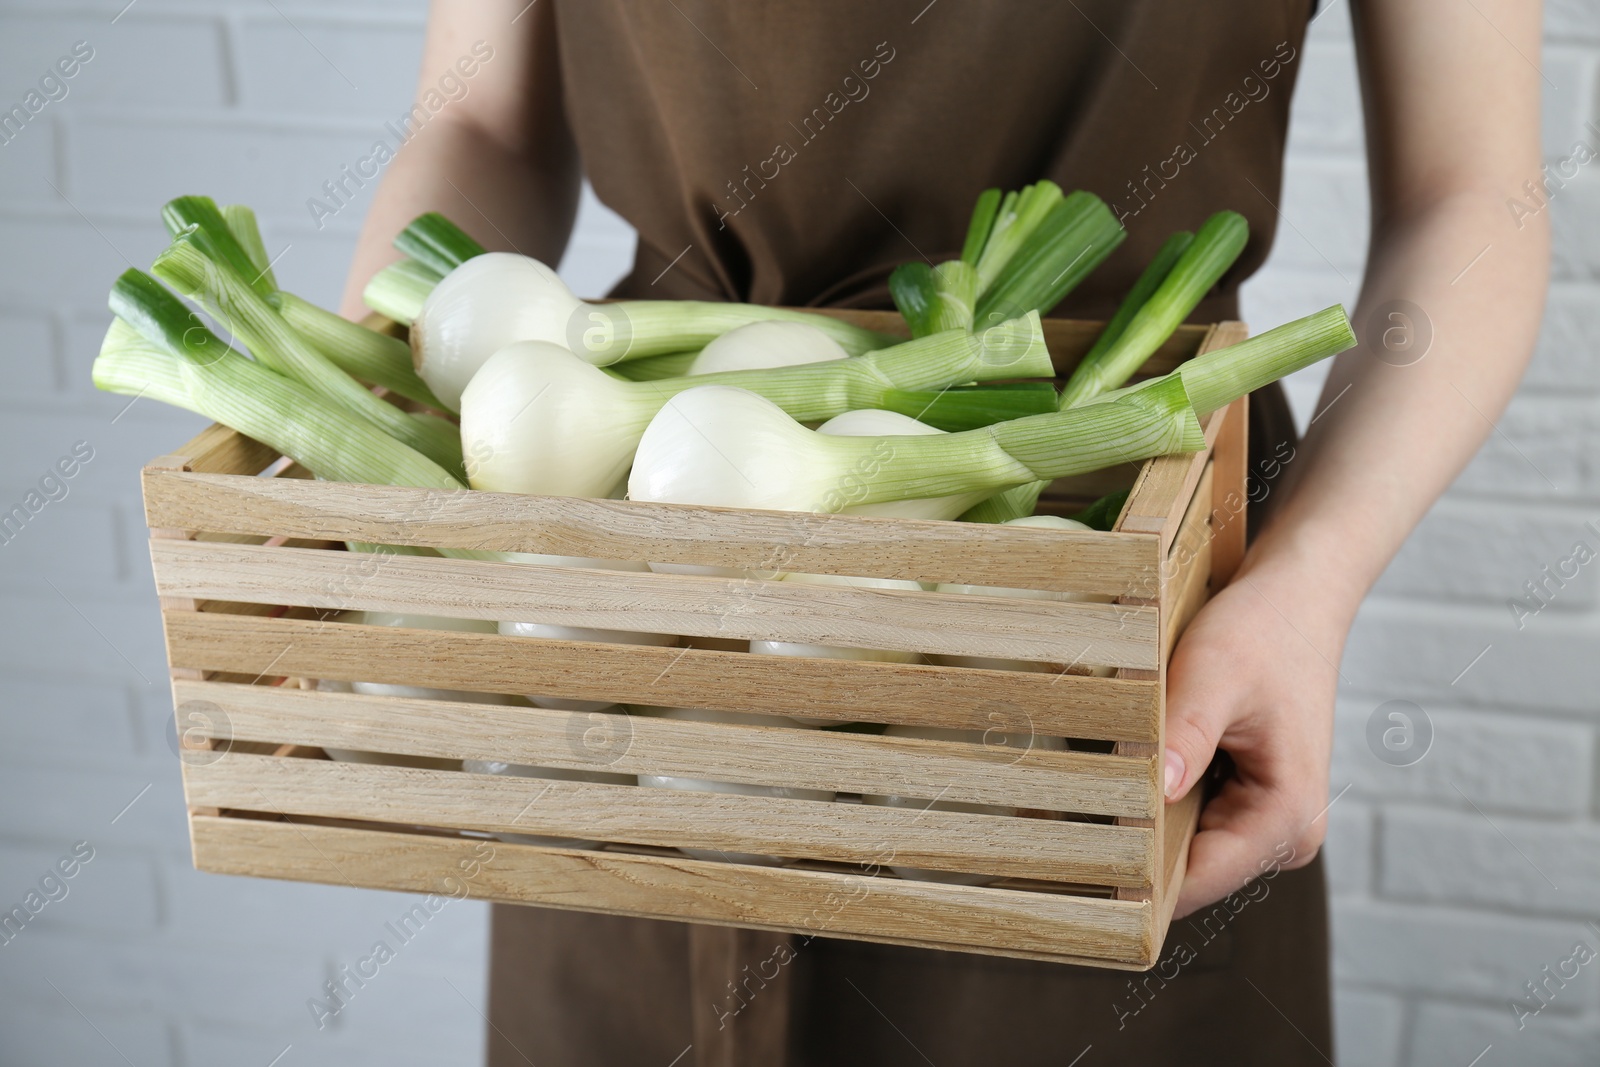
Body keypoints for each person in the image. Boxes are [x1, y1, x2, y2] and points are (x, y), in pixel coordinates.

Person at [342, 1, 1549, 1063]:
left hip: (1118, 586)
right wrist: (378, 428)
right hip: (630, 544)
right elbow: (482, 124)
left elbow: (1471, 193)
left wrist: (1310, 582)